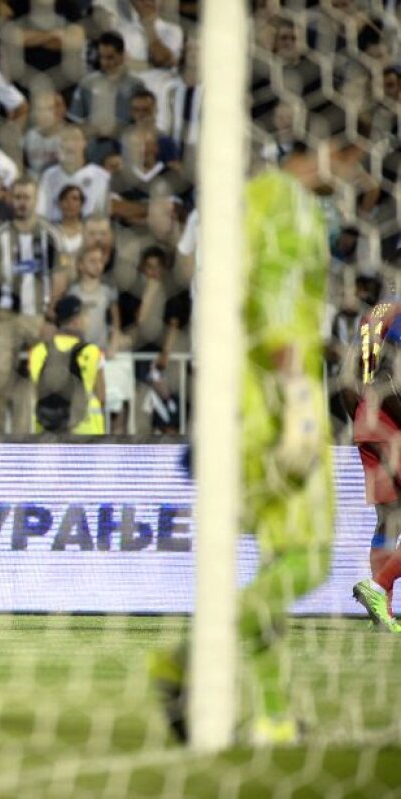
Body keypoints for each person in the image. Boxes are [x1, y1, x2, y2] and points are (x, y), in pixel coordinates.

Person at [151, 134, 364, 746]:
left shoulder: (249, 203)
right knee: (310, 560)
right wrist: (300, 398)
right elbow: (274, 306)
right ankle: (189, 658)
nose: (351, 172)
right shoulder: (286, 204)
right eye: (348, 155)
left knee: (275, 565)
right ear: (323, 151)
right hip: (276, 403)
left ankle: (273, 717)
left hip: (239, 405)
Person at [0, 176, 69, 432]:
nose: (22, 203)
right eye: (17, 197)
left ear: (36, 200)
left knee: (37, 375)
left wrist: (52, 317)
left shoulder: (51, 235)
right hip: (6, 316)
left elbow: (61, 278)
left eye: (27, 197)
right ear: (10, 199)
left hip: (40, 315)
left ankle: (29, 431)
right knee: (0, 373)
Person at [345, 269, 401, 633]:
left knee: (389, 519)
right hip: (394, 420)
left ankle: (384, 613)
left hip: (367, 420)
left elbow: (348, 375)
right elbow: (396, 374)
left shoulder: (373, 315)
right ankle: (379, 586)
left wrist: (361, 419)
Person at [28, 295, 106, 434]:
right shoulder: (92, 352)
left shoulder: (38, 351)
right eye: (85, 315)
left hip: (48, 429)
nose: (89, 320)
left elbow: (35, 390)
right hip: (85, 429)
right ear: (76, 321)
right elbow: (101, 396)